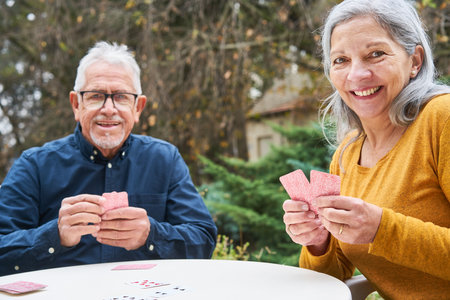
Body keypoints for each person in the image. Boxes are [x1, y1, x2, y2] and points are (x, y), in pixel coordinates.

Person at [0, 41, 217, 276]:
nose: (109, 109)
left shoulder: (164, 160)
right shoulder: (34, 165)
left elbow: (203, 241)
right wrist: (54, 235)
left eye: (121, 97)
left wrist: (151, 235)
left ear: (138, 108)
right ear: (76, 104)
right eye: (96, 96)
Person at [282, 0, 450, 298]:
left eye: (375, 54)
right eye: (341, 60)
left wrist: (382, 229)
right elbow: (329, 278)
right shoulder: (346, 155)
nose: (357, 75)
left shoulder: (442, 118)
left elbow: (383, 232)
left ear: (415, 61)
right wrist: (318, 243)